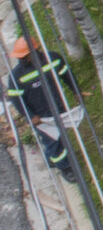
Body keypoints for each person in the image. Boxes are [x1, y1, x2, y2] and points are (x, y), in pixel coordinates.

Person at [6, 35, 78, 175]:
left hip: (58, 106)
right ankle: (65, 168)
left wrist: (76, 91)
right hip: (40, 116)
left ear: (34, 51)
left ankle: (51, 158)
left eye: (24, 56)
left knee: (59, 136)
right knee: (53, 141)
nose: (21, 59)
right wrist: (31, 116)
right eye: (19, 57)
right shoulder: (16, 76)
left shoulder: (52, 59)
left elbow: (66, 74)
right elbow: (16, 100)